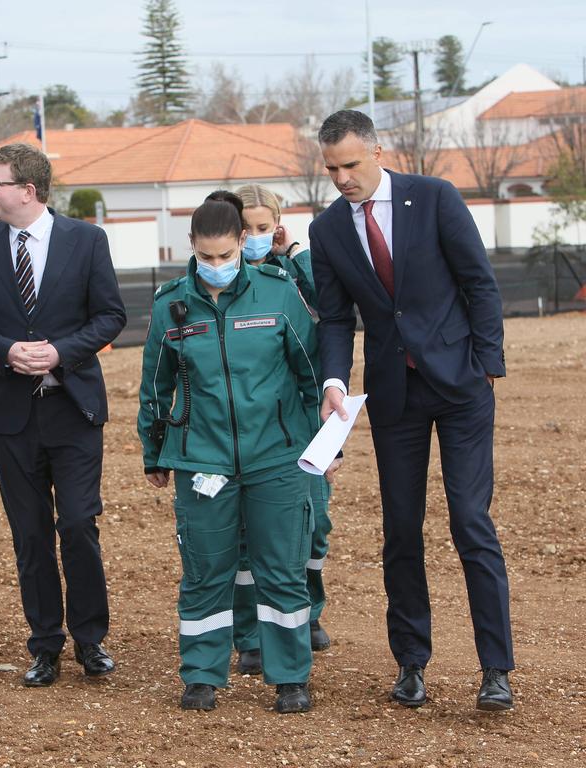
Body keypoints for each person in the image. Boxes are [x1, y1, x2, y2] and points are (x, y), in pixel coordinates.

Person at [309, 110, 513, 711]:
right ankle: (411, 663)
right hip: (393, 395)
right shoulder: (327, 231)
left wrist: (488, 362)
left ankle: (495, 669)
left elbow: (479, 281)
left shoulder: (435, 197)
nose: (342, 177)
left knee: (470, 522)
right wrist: (333, 381)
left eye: (350, 163)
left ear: (377, 150)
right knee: (401, 530)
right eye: (332, 168)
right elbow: (337, 317)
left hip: (460, 386)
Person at [138, 192, 333, 714]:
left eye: (226, 255)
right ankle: (202, 674)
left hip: (277, 457)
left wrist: (322, 442)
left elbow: (310, 373)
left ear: (243, 242)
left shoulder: (278, 294)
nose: (217, 266)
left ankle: (290, 676)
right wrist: (154, 452)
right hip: (202, 459)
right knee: (205, 570)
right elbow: (154, 386)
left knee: (281, 569)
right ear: (193, 248)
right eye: (207, 256)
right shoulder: (170, 305)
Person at [0, 143, 126, 688]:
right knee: (29, 535)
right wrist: (5, 350)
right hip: (11, 415)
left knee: (78, 524)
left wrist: (62, 351)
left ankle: (90, 640)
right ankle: (45, 645)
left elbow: (110, 315)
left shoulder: (87, 240)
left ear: (28, 190)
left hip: (73, 409)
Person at [209, 187, 334, 675]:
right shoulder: (221, 277)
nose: (258, 238)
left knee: (312, 526)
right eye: (250, 229)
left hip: (300, 427)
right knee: (246, 542)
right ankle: (250, 635)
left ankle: (309, 613)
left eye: (267, 228)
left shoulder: (290, 272)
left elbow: (330, 307)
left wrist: (294, 254)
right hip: (248, 434)